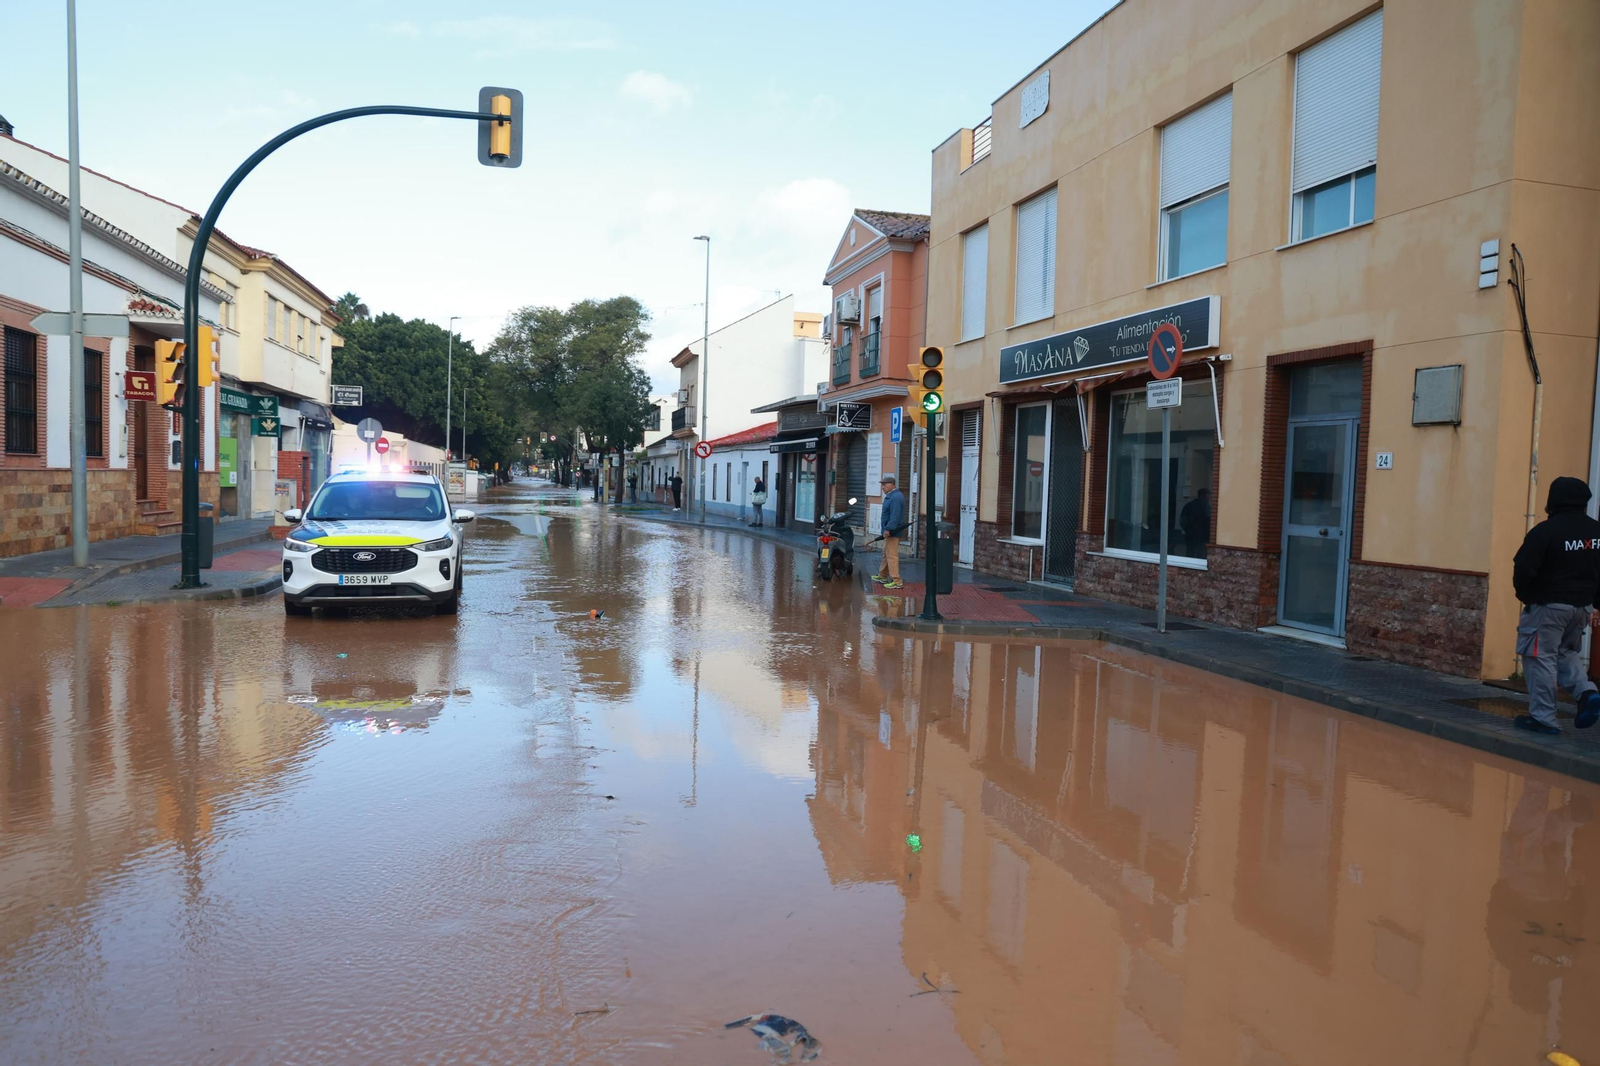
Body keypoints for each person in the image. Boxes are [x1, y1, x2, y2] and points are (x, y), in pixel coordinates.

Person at [1511, 476, 1600, 734]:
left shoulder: (1545, 532)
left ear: (1553, 500)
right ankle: (1586, 693)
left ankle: (1543, 719)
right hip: (1582, 608)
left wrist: (1527, 597)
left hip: (1548, 607)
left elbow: (1524, 569)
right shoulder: (1596, 532)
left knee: (1540, 658)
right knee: (1565, 652)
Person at [873, 474, 908, 590]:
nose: (883, 487)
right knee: (886, 553)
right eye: (882, 485)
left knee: (891, 555)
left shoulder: (896, 497)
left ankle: (897, 581)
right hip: (890, 530)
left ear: (892, 485)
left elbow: (895, 516)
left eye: (885, 485)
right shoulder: (892, 496)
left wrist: (888, 529)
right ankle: (882, 575)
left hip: (892, 531)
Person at [1179, 488, 1211, 559]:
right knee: (1201, 556)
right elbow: (1209, 521)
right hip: (1202, 536)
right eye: (1209, 495)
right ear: (1204, 495)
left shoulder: (1189, 505)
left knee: (1190, 554)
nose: (1210, 497)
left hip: (1190, 535)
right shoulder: (1206, 506)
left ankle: (1187, 568)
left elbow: (1182, 520)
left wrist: (1187, 530)